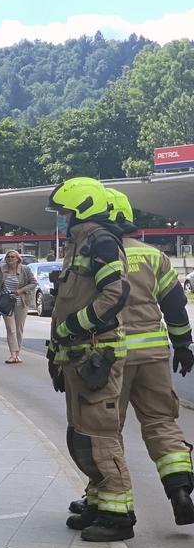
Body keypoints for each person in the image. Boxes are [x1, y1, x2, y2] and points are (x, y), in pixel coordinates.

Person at [69, 188, 194, 525]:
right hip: (154, 354)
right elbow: (176, 308)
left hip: (112, 356)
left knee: (105, 429)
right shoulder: (155, 257)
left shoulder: (100, 254)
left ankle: (103, 499)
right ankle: (180, 488)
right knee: (162, 422)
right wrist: (183, 346)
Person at [46, 177, 134, 542]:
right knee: (82, 437)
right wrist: (56, 348)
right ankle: (99, 503)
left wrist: (74, 327)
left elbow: (116, 293)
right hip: (78, 357)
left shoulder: (101, 242)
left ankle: (119, 517)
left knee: (100, 436)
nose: (62, 219)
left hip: (96, 354)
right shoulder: (80, 244)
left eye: (65, 213)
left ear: (80, 210)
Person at [0, 250, 37, 363]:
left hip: (21, 303)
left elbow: (33, 283)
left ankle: (17, 354)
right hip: (5, 303)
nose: (10, 259)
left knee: (19, 329)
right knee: (11, 328)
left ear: (18, 259)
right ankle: (13, 354)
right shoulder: (1, 268)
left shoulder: (25, 269)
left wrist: (21, 290)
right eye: (8, 257)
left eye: (12, 257)